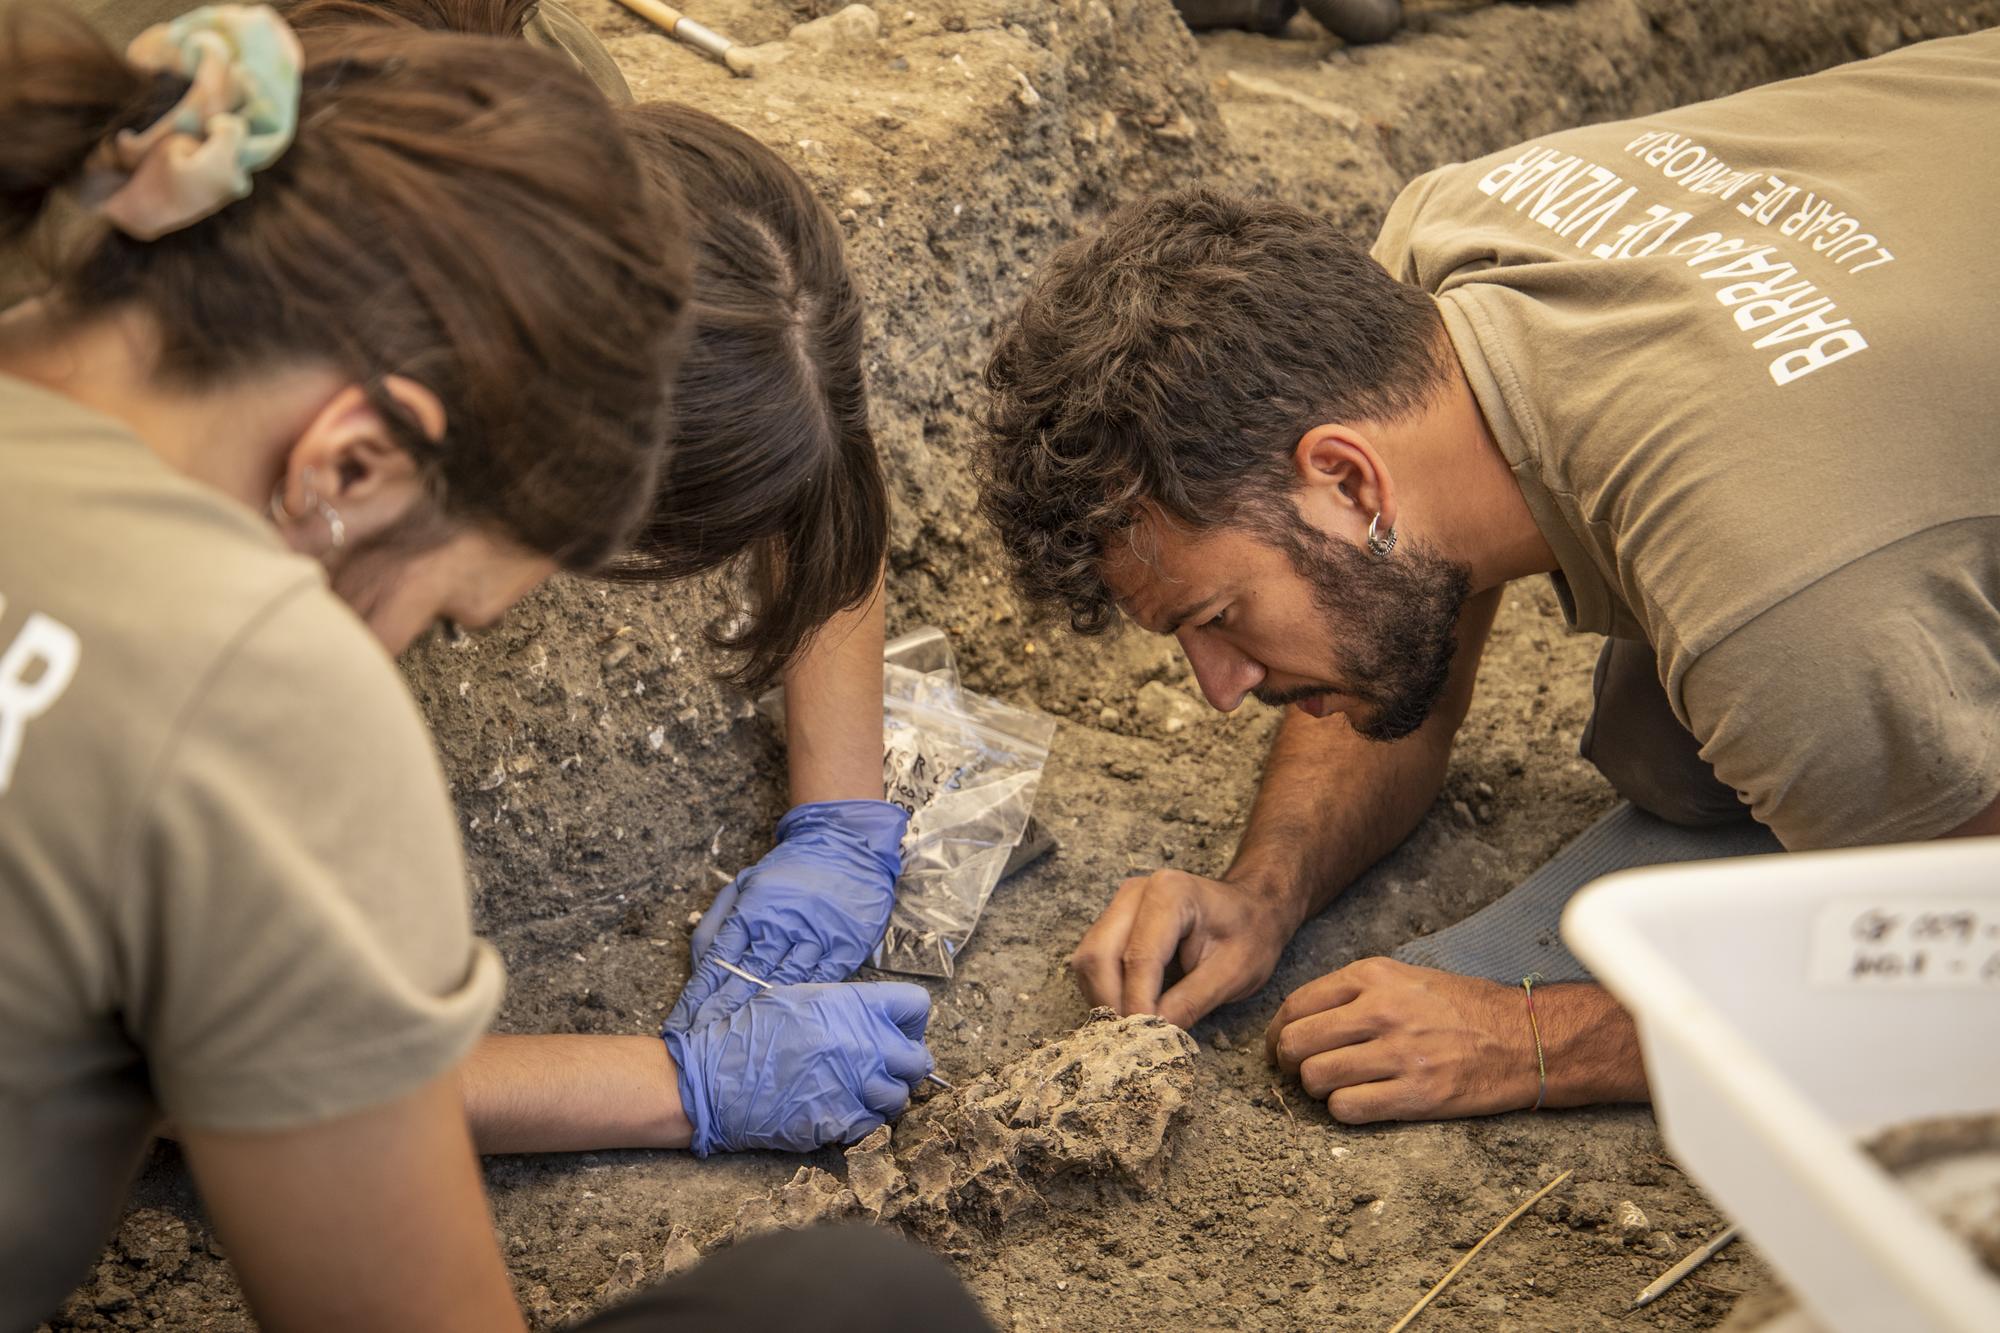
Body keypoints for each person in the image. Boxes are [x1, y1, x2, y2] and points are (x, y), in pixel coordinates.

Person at [0, 5, 989, 1329]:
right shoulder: (254, 694)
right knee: (867, 1304)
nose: (399, 651)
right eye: (446, 612)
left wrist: (840, 805)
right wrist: (681, 1082)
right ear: (350, 464)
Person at [974, 31, 2000, 1125]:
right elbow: (1388, 639)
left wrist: (1535, 1039)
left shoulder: (1778, 608)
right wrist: (1263, 890)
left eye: (1220, 617)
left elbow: (1962, 985)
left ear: (1346, 481)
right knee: (1684, 744)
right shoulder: (1448, 247)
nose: (1218, 686)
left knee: (1773, 739)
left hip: (1827, 560)